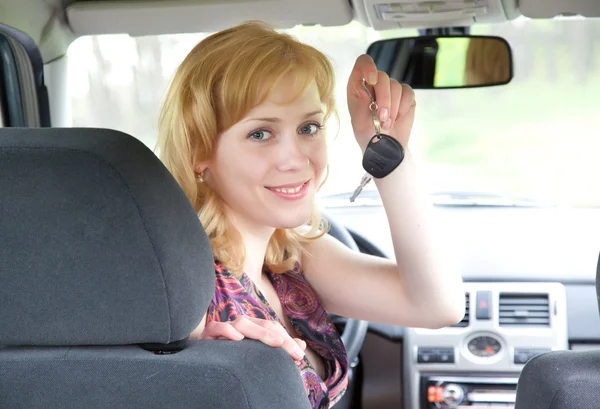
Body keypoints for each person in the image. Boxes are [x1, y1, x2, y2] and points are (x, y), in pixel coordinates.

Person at [156, 21, 465, 409]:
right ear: (200, 151)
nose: (296, 158)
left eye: (309, 127)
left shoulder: (292, 256)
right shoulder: (180, 288)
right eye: (261, 134)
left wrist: (389, 153)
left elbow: (437, 305)